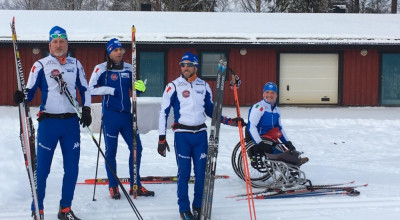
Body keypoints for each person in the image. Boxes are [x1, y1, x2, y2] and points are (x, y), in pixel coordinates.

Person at [13, 26, 91, 220]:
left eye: (62, 41)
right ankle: (37, 209)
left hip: (71, 124)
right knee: (42, 170)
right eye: (55, 42)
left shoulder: (76, 64)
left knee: (72, 169)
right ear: (49, 44)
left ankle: (65, 209)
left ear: (67, 43)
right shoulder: (40, 65)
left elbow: (85, 89)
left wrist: (87, 109)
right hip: (49, 123)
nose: (59, 45)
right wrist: (20, 96)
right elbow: (28, 93)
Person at [157, 52, 243, 220]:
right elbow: (163, 113)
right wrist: (161, 138)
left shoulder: (203, 86)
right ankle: (184, 208)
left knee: (202, 173)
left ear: (195, 66)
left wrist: (229, 121)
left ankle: (198, 206)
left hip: (200, 136)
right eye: (183, 64)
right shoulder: (173, 86)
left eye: (189, 64)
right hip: (182, 135)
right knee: (184, 173)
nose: (185, 67)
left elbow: (211, 110)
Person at [88, 38, 154, 199]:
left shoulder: (129, 68)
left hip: (127, 116)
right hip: (110, 115)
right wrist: (110, 90)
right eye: (115, 50)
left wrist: (141, 88)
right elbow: (90, 89)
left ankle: (135, 185)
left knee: (136, 148)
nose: (119, 52)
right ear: (109, 52)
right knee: (111, 151)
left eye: (121, 50)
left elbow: (135, 88)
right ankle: (113, 186)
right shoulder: (100, 69)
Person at [246, 82, 309, 166]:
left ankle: (294, 161)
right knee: (279, 152)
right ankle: (294, 162)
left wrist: (287, 142)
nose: (269, 95)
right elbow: (251, 127)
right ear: (263, 93)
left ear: (276, 95)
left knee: (285, 149)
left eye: (272, 92)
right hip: (260, 139)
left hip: (271, 138)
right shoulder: (258, 107)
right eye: (267, 92)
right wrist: (260, 143)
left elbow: (279, 128)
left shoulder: (276, 110)